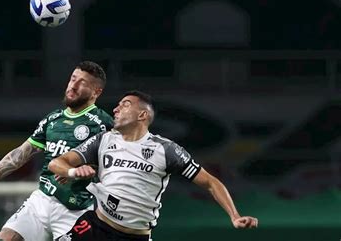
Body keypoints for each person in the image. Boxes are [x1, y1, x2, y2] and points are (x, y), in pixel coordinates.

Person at [49, 90, 258, 241]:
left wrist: (235, 216)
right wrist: (73, 171)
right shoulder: (102, 140)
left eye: (125, 104)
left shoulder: (166, 149)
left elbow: (211, 182)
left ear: (143, 115)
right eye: (118, 105)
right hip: (97, 228)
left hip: (135, 236)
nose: (116, 108)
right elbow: (57, 163)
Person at [0, 61, 113, 241]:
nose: (73, 86)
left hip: (77, 209)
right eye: (73, 79)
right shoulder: (53, 119)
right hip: (42, 199)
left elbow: (116, 166)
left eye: (82, 83)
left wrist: (87, 170)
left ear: (96, 92)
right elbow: (20, 155)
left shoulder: (103, 124)